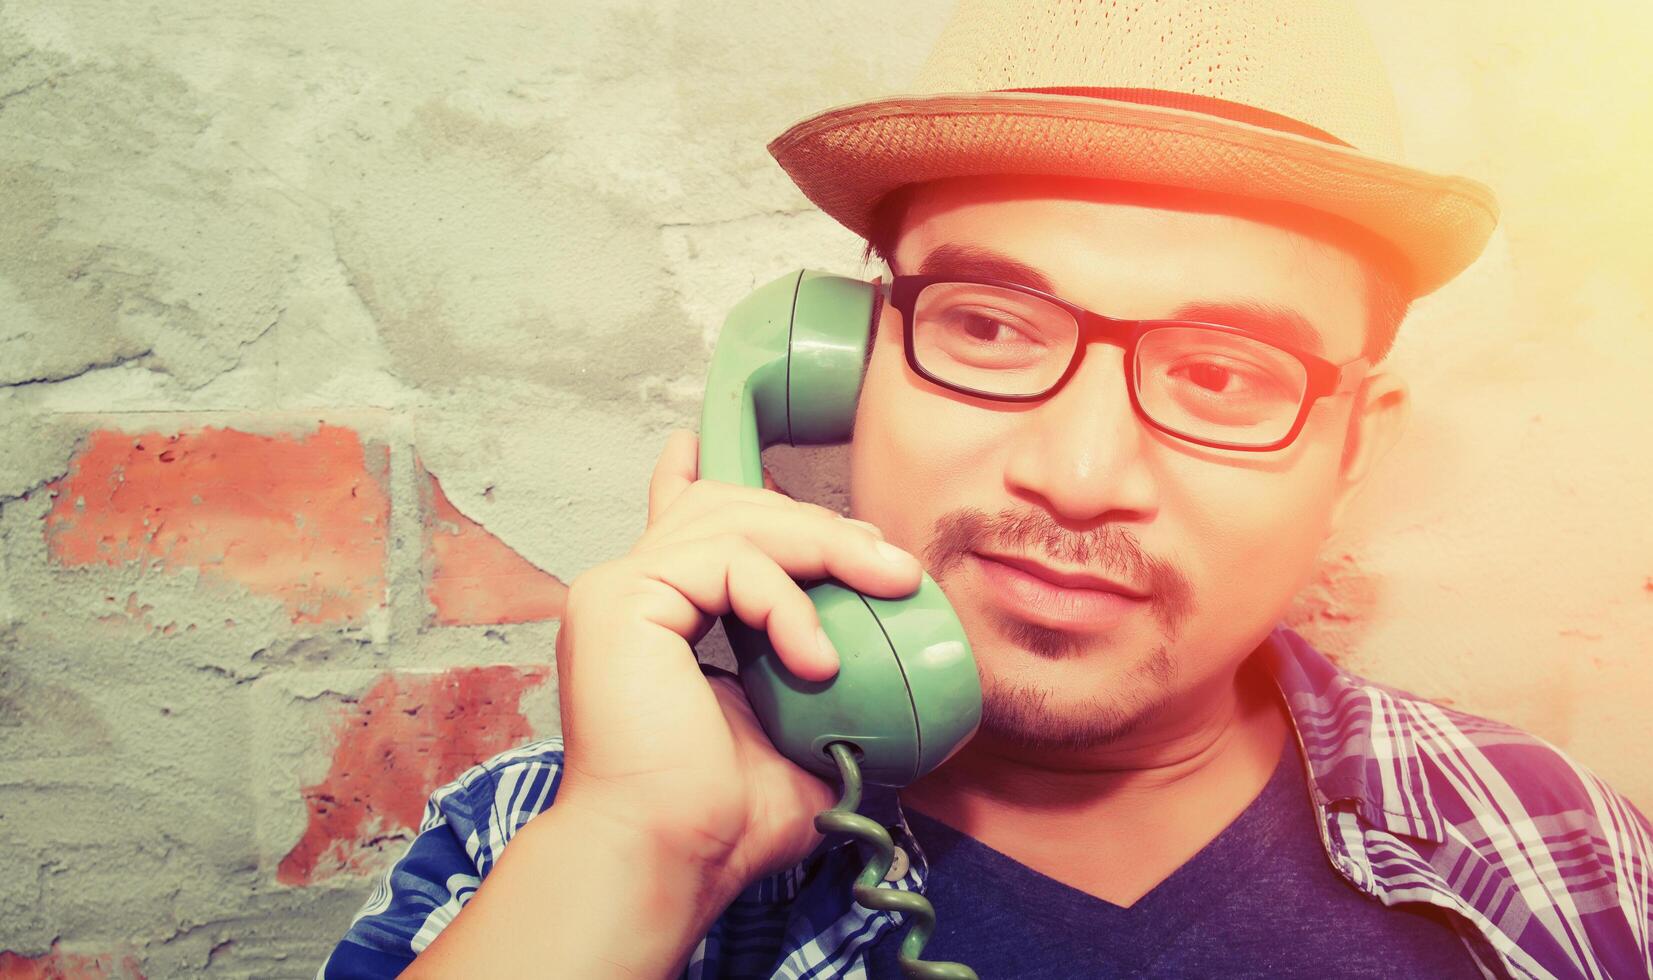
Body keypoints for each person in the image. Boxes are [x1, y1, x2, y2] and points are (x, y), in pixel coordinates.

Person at [318, 1, 1652, 977]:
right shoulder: (536, 855)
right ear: (832, 370)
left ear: (1351, 446)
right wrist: (643, 856)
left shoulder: (1552, 842)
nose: (1078, 477)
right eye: (991, 329)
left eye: (1226, 375)